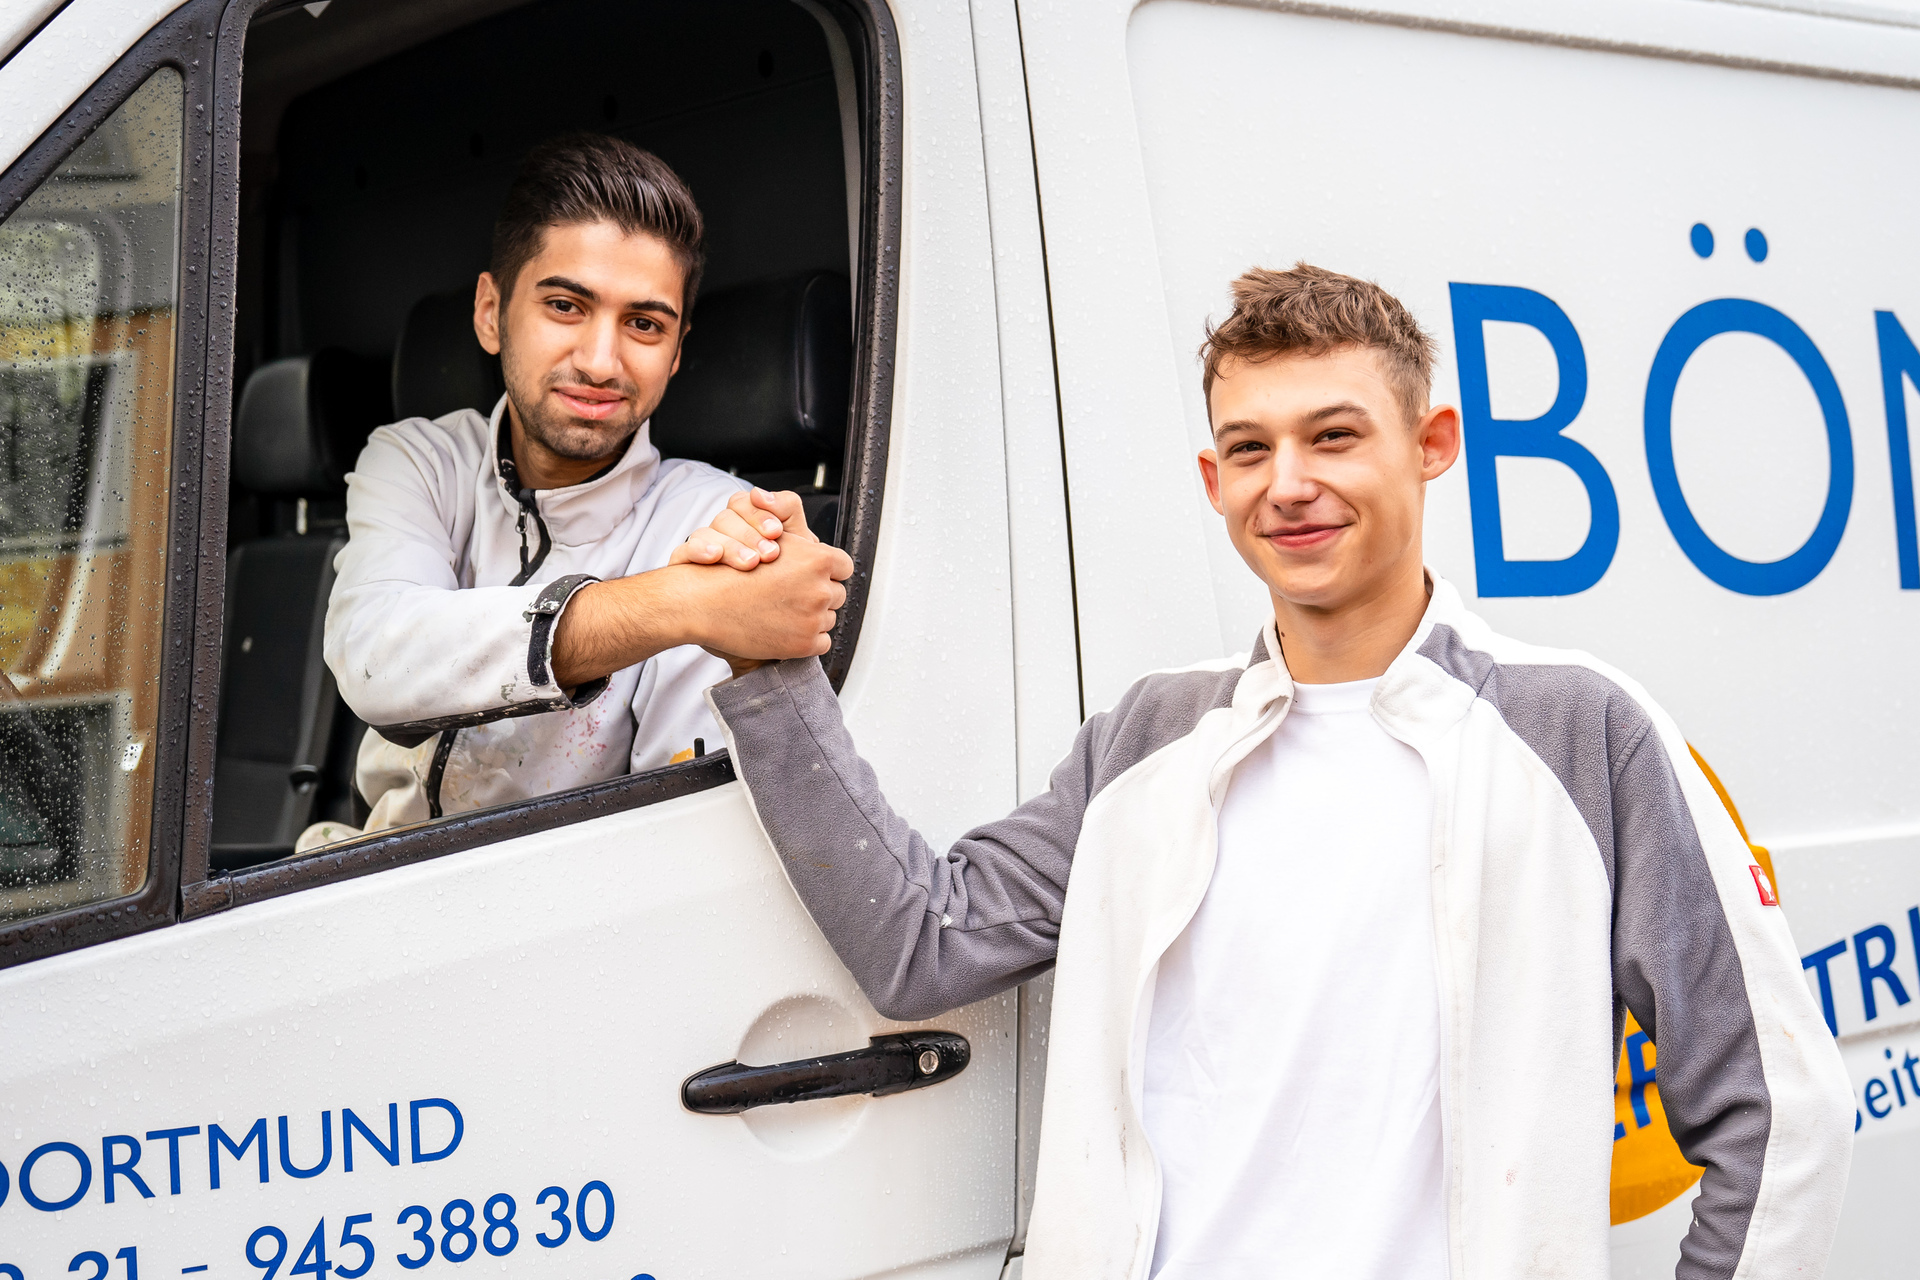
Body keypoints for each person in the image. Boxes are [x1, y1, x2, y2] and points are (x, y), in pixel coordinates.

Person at [677, 265, 1854, 1278]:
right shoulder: (1148, 738)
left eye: (1334, 435)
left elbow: (1780, 1117)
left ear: (1433, 444)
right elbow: (922, 944)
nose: (1287, 481)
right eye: (1251, 447)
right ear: (1214, 480)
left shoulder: (1582, 732)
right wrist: (768, 666)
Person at [311, 133, 851, 842]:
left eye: (644, 324)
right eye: (566, 306)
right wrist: (680, 603)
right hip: (362, 869)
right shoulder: (421, 459)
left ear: (677, 352)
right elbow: (378, 660)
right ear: (490, 312)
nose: (600, 362)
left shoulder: (719, 524)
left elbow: (677, 826)